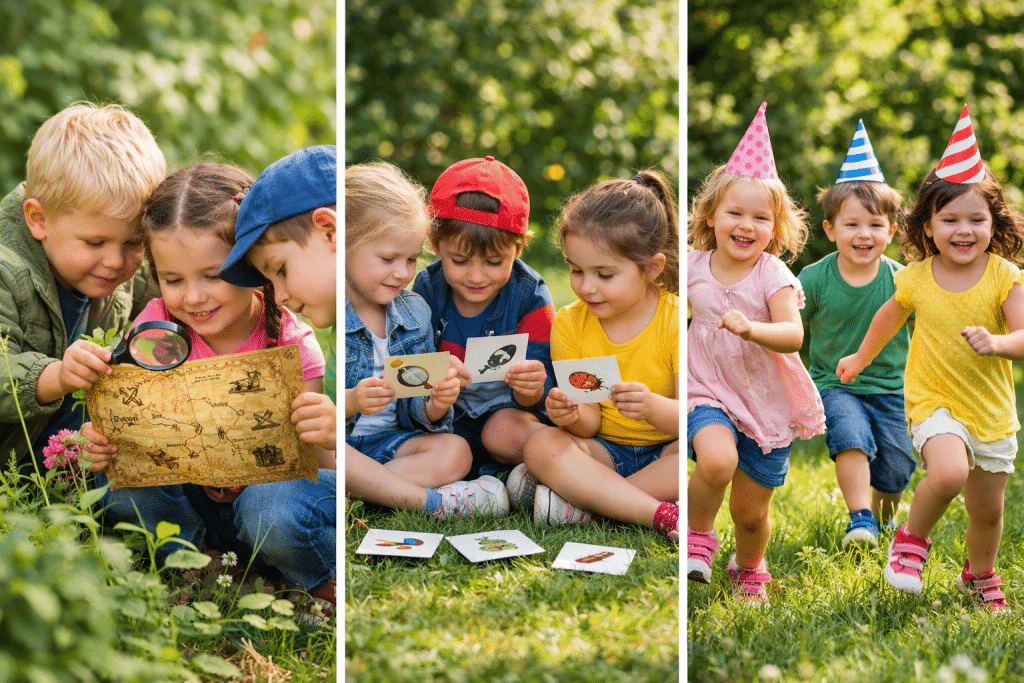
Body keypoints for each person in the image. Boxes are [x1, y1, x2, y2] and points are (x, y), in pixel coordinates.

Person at [82, 162, 337, 603]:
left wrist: (327, 433)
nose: (193, 297)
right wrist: (103, 447)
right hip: (188, 505)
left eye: (213, 275)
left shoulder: (290, 341)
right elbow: (125, 430)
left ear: (249, 266)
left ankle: (312, 581)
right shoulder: (156, 329)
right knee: (112, 490)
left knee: (274, 511)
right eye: (173, 280)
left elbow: (317, 470)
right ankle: (196, 560)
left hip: (267, 507)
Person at [837, 106, 1024, 612]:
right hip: (933, 400)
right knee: (947, 474)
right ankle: (910, 543)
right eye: (950, 219)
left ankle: (980, 576)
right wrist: (859, 356)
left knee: (988, 510)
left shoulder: (1004, 275)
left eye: (975, 219)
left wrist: (998, 342)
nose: (963, 230)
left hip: (991, 411)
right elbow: (888, 318)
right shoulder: (917, 277)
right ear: (929, 224)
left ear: (993, 222)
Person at [687, 102, 825, 603]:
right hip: (706, 387)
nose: (746, 225)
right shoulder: (693, 264)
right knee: (717, 460)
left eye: (760, 217)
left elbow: (793, 336)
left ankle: (748, 568)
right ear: (712, 216)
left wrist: (752, 330)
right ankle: (698, 537)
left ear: (775, 227)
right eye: (735, 213)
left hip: (764, 398)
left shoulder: (773, 275)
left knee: (751, 513)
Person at [339, 159, 509, 518]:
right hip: (341, 449)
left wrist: (436, 402)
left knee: (457, 452)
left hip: (393, 446)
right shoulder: (331, 313)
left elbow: (414, 406)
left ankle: (364, 494)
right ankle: (411, 498)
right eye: (388, 259)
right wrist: (353, 399)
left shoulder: (414, 312)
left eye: (411, 259)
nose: (402, 273)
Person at [0, 102, 165, 468]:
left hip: (77, 452)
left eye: (134, 243)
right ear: (38, 219)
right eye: (94, 243)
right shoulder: (5, 272)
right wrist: (56, 376)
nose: (115, 261)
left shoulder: (127, 274)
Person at [519, 168, 680, 541]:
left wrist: (653, 407)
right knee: (541, 444)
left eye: (604, 275)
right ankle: (658, 512)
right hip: (604, 451)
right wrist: (571, 415)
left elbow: (692, 420)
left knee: (708, 451)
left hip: (667, 454)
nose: (586, 287)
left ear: (652, 269)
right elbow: (589, 422)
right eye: (577, 271)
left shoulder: (675, 320)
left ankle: (593, 502)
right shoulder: (571, 324)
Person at [799, 121, 916, 549]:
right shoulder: (814, 279)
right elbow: (790, 323)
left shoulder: (904, 282)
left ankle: (882, 524)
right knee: (849, 437)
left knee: (897, 468)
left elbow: (928, 332)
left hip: (894, 387)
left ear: (891, 232)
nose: (863, 234)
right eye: (851, 225)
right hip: (836, 382)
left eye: (874, 225)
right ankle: (859, 517)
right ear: (830, 230)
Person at [412, 156, 555, 484]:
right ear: (435, 244)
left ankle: (534, 471)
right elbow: (411, 369)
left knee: (502, 434)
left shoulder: (529, 296)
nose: (476, 277)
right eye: (460, 261)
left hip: (509, 416)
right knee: (442, 444)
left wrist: (531, 388)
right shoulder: (427, 288)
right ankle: (502, 477)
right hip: (445, 419)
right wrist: (436, 370)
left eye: (494, 262)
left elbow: (543, 390)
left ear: (518, 248)